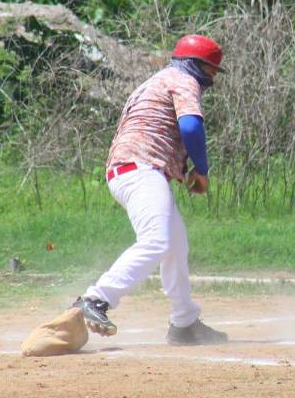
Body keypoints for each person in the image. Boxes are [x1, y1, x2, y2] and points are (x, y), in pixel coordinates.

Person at [72, 34, 228, 346]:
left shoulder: (157, 80)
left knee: (175, 246)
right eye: (210, 68)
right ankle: (95, 299)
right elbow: (191, 126)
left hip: (134, 169)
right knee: (157, 241)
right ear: (196, 65)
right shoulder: (183, 80)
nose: (212, 76)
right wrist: (202, 169)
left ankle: (184, 323)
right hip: (140, 169)